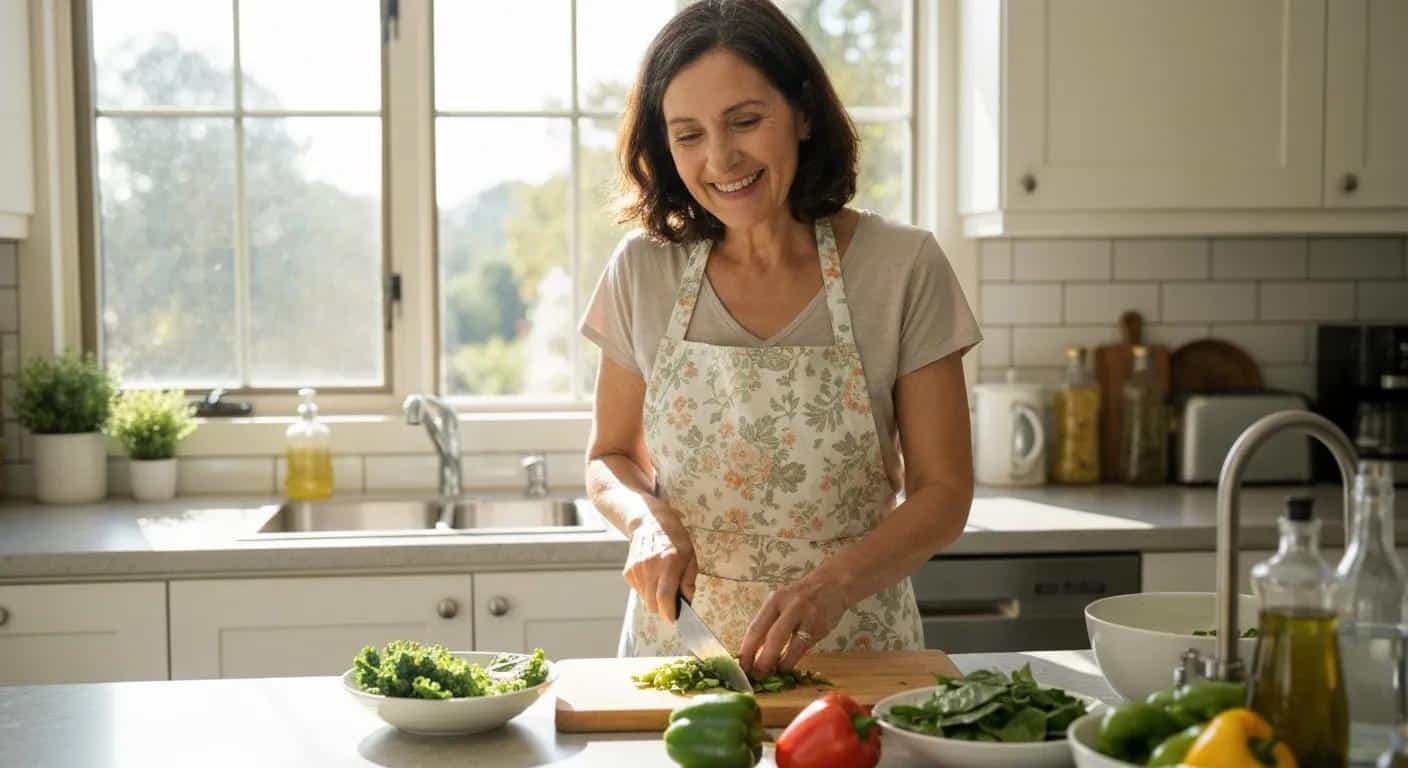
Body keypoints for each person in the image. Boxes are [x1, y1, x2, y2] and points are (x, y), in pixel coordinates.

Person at [580, 0, 979, 678]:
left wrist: (834, 586)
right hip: (680, 657)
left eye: (745, 121)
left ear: (801, 113)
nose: (720, 158)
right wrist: (645, 519)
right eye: (689, 135)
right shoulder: (643, 272)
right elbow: (609, 456)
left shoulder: (902, 267)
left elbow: (944, 491)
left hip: (858, 655)